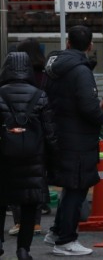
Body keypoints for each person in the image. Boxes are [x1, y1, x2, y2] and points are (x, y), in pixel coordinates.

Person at [43, 26, 103, 256]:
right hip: (79, 138)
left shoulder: (53, 68)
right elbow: (89, 106)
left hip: (59, 134)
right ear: (90, 46)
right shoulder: (80, 71)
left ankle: (58, 232)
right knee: (77, 188)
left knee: (70, 187)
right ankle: (65, 240)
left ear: (68, 43)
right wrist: (101, 118)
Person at [0, 52, 57, 260]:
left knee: (1, 201)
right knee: (29, 205)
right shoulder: (39, 95)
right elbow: (50, 133)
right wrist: (52, 160)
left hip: (4, 159)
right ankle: (23, 250)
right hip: (33, 159)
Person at [8, 39, 49, 236]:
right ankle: (35, 222)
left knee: (14, 180)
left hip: (11, 140)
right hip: (36, 139)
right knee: (35, 179)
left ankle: (18, 222)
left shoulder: (4, 88)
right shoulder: (45, 77)